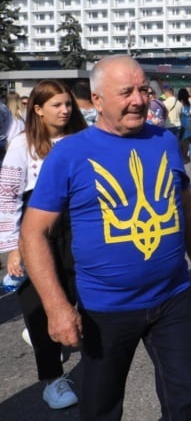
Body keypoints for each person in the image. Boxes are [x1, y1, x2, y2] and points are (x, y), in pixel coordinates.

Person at [19, 55, 191, 420]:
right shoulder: (70, 154)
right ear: (98, 99)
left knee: (187, 401)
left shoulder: (165, 140)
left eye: (143, 89)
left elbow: (185, 208)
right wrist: (57, 307)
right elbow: (33, 232)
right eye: (126, 92)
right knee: (101, 409)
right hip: (105, 310)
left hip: (172, 301)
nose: (139, 99)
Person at [0, 80, 88, 410]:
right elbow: (7, 198)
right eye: (56, 105)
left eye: (68, 104)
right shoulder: (22, 144)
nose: (65, 110)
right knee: (39, 306)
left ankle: (94, 359)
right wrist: (13, 247)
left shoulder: (81, 139)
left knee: (85, 296)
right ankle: (52, 379)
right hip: (36, 231)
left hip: (79, 225)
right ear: (37, 109)